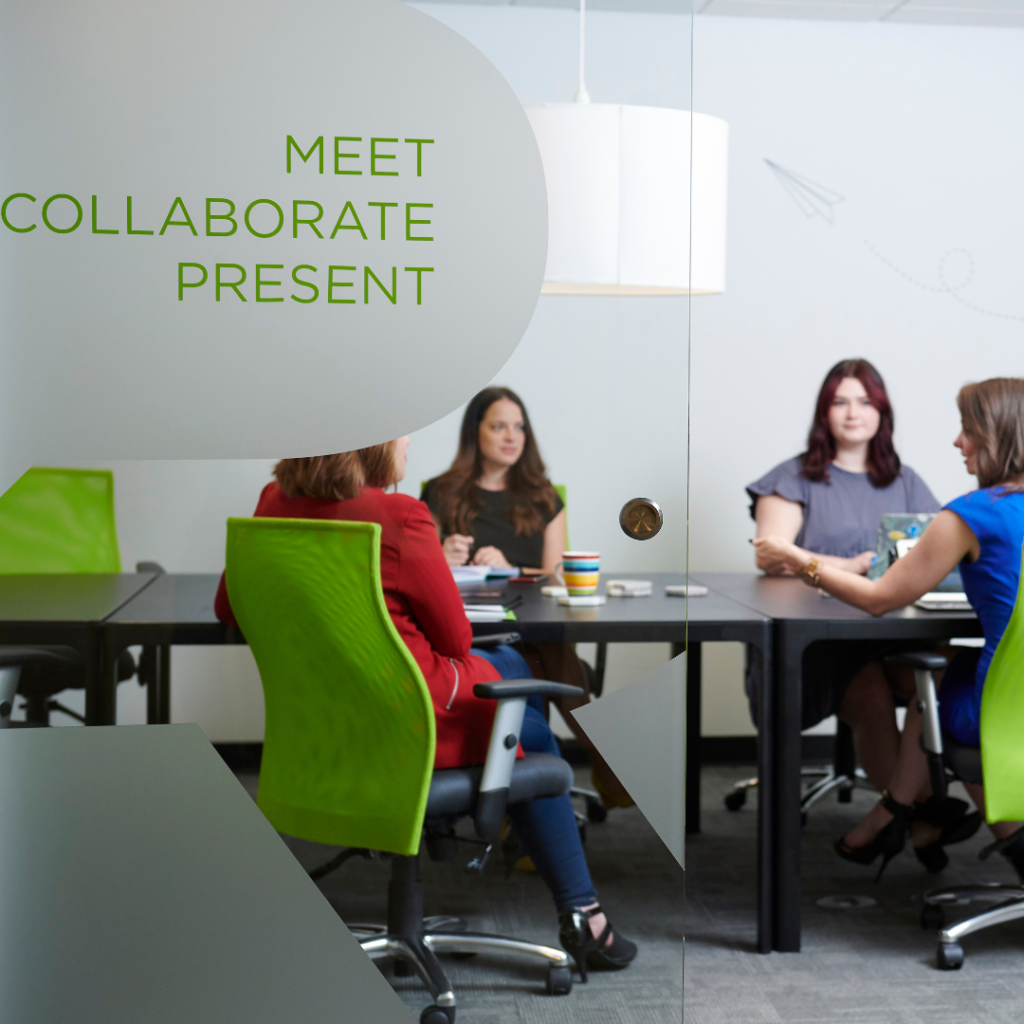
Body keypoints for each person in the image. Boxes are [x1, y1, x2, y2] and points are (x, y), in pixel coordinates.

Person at [213, 439, 637, 977]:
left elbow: (229, 605)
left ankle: (583, 909)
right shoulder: (400, 517)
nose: (409, 442)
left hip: (325, 729)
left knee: (512, 684)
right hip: (415, 724)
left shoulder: (272, 501)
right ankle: (583, 915)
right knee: (524, 714)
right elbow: (456, 639)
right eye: (403, 431)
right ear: (372, 443)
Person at [754, 377, 1024, 882]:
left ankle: (896, 811)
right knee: (939, 672)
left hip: (1006, 713)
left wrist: (804, 563)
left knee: (933, 684)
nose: (957, 442)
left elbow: (879, 600)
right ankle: (904, 816)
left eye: (967, 430)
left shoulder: (971, 515)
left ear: (997, 436)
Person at [747, 359, 948, 823]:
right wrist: (855, 567)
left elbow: (937, 549)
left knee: (933, 683)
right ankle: (918, 820)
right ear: (824, 412)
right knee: (871, 693)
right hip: (817, 639)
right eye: (840, 401)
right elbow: (771, 557)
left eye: (864, 401)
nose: (853, 413)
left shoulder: (906, 481)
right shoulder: (792, 477)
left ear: (882, 412)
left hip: (890, 631)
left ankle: (910, 821)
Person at [422, 386, 631, 809]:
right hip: (469, 633)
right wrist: (443, 554)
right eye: (498, 426)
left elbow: (556, 573)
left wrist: (513, 568)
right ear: (475, 433)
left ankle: (521, 812)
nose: (510, 436)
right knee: (548, 658)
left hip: (529, 625)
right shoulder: (440, 493)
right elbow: (420, 571)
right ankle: (605, 768)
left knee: (543, 654)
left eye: (519, 427)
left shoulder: (544, 496)